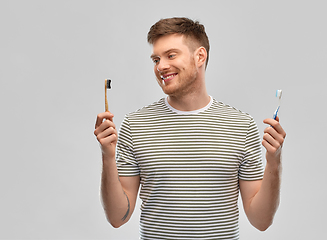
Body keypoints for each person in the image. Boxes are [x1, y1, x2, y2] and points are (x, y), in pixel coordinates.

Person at [94, 17, 286, 239]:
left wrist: (274, 161)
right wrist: (107, 157)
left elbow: (260, 221)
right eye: (156, 59)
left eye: (171, 55)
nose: (161, 66)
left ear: (200, 56)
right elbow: (118, 217)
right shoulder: (135, 125)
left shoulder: (241, 126)